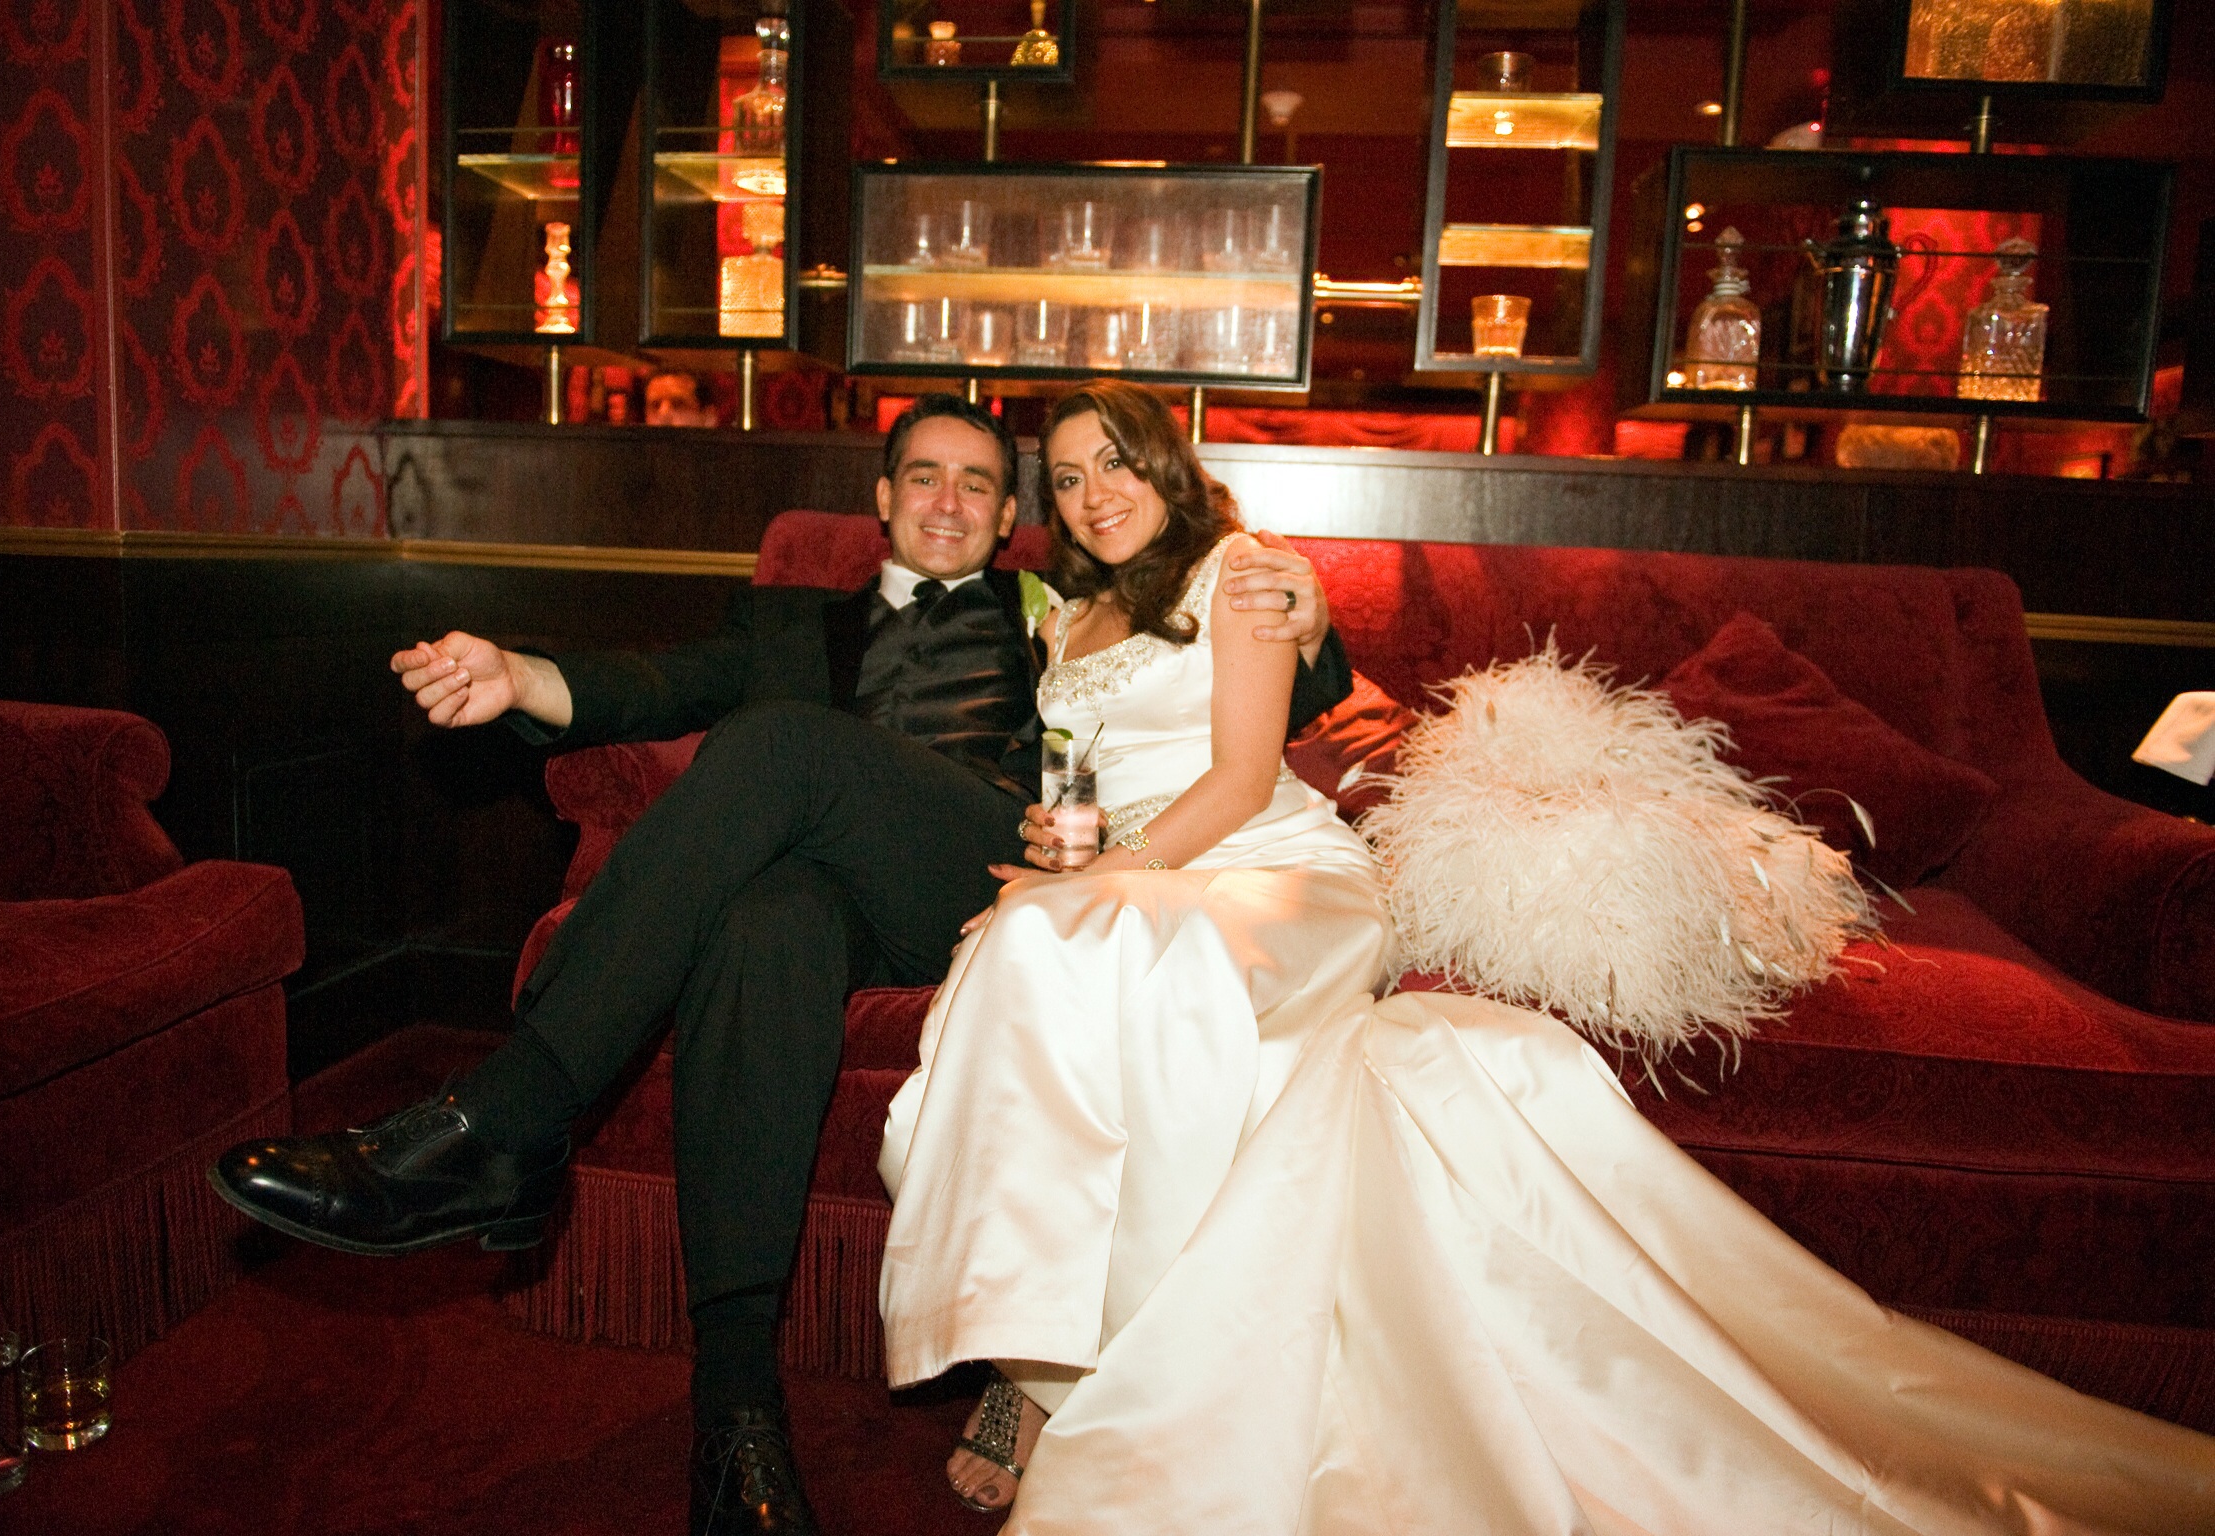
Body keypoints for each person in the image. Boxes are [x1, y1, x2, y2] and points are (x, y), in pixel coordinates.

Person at [877, 379, 2215, 1531]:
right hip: (1142, 868)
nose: (1096, 491)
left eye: (1115, 460)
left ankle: (1071, 1377)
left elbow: (1236, 776)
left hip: (1274, 868)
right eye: (1068, 477)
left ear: (1166, 467)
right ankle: (1048, 1349)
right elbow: (1078, 771)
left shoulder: (1245, 572)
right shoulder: (1061, 613)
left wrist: (1106, 871)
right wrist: (1067, 851)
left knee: (1108, 955)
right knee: (1033, 953)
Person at [206, 393, 1354, 1536]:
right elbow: (650, 684)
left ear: (1009, 518)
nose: (947, 501)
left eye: (977, 483)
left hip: (990, 876)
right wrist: (520, 675)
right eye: (923, 476)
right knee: (768, 923)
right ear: (882, 499)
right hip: (833, 893)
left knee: (782, 741)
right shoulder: (785, 627)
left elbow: (1236, 692)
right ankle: (737, 1413)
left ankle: (507, 1116)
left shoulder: (1061, 605)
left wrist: (1309, 622)